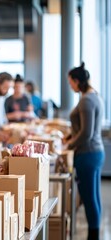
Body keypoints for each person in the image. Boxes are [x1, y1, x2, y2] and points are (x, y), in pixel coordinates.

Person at [65, 63, 104, 240]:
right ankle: (94, 234)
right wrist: (69, 136)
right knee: (94, 197)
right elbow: (83, 129)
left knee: (89, 199)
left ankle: (93, 236)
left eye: (70, 82)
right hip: (94, 153)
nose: (70, 86)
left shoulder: (86, 100)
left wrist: (69, 145)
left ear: (77, 81)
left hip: (87, 154)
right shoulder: (94, 96)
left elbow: (86, 134)